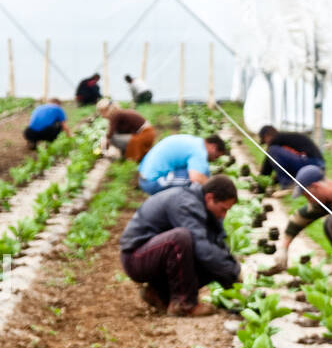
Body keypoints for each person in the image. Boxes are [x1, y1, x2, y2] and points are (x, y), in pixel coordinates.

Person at [120, 174, 241, 316]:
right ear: (209, 198)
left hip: (152, 255)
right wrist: (235, 271)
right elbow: (202, 248)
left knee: (213, 258)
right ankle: (184, 305)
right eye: (223, 209)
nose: (224, 215)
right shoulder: (185, 203)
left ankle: (159, 293)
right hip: (136, 257)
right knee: (182, 238)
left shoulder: (204, 209)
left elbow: (217, 247)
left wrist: (235, 273)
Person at [138, 132, 227, 195]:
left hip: (144, 177)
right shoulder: (200, 151)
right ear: (213, 147)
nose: (214, 160)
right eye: (216, 156)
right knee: (193, 182)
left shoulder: (195, 142)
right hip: (152, 182)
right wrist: (217, 192)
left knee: (201, 176)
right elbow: (196, 178)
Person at [257, 124, 325, 189]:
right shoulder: (286, 140)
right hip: (317, 166)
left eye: (265, 141)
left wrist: (260, 182)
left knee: (272, 150)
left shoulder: (277, 139)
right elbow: (283, 169)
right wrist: (271, 181)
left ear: (267, 136)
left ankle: (287, 185)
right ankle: (291, 184)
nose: (267, 144)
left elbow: (267, 168)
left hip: (312, 163)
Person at [96, 99, 156, 163]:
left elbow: (110, 135)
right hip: (149, 134)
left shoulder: (115, 115)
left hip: (144, 136)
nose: (101, 116)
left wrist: (103, 147)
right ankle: (119, 155)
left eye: (101, 112)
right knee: (115, 137)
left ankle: (116, 156)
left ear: (106, 110)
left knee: (113, 139)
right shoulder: (119, 112)